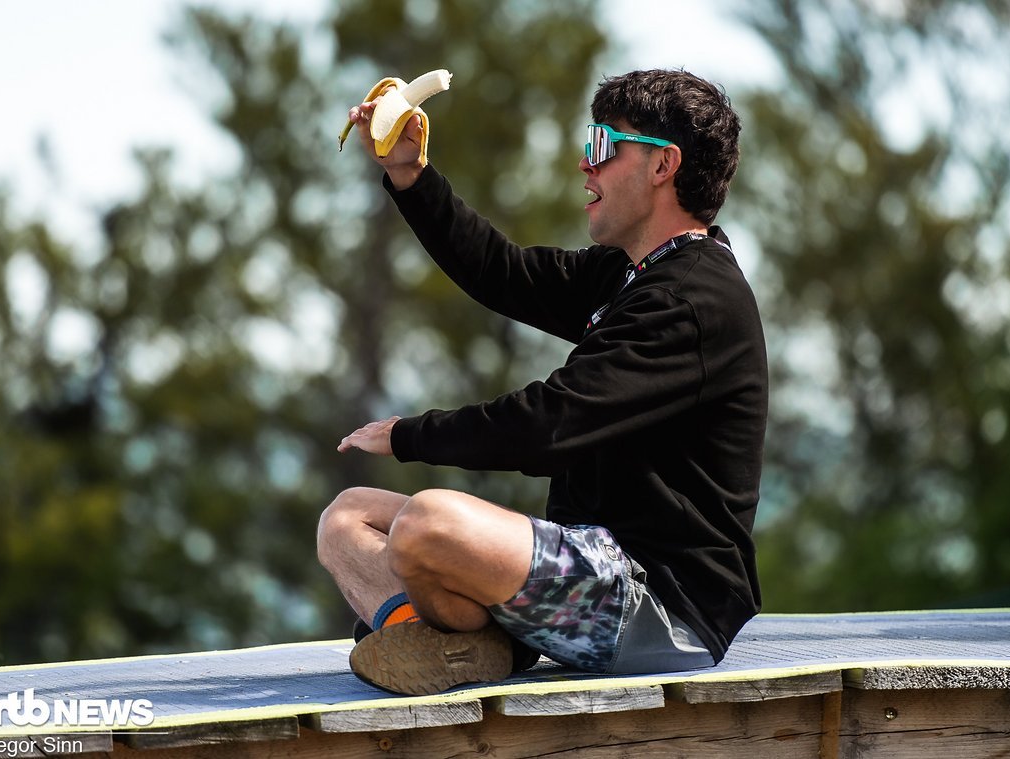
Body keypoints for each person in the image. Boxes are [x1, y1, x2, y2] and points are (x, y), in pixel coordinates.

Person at [318, 68, 768, 696]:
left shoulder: (693, 301)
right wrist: (410, 177)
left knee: (427, 523)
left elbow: (547, 425)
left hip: (662, 606)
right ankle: (444, 640)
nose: (586, 168)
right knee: (346, 520)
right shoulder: (630, 274)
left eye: (602, 148)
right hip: (590, 567)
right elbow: (505, 274)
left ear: (664, 165)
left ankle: (462, 638)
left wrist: (411, 436)